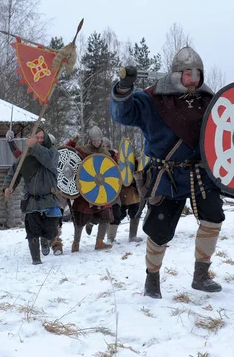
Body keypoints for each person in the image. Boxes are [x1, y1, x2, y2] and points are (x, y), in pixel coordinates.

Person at [110, 47, 225, 299]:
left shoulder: (210, 101)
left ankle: (201, 274)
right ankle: (152, 279)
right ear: (176, 74)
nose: (194, 79)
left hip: (200, 173)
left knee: (213, 217)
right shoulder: (152, 100)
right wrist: (123, 89)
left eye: (197, 74)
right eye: (188, 74)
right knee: (159, 230)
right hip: (167, 175)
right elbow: (122, 114)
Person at [3, 126, 61, 264]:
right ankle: (36, 259)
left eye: (41, 138)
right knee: (32, 231)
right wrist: (7, 187)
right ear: (32, 139)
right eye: (37, 138)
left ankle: (45, 241)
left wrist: (34, 146)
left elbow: (47, 160)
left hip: (49, 199)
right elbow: (14, 172)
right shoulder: (25, 157)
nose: (39, 140)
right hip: (32, 200)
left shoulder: (53, 153)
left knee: (51, 231)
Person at [65, 126, 114, 252]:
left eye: (98, 141)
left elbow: (113, 171)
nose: (96, 143)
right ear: (90, 140)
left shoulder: (106, 153)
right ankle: (75, 244)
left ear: (101, 140)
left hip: (101, 190)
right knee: (81, 218)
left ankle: (99, 242)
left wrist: (116, 157)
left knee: (106, 214)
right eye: (94, 141)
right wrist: (72, 141)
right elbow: (67, 152)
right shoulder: (82, 151)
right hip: (86, 190)